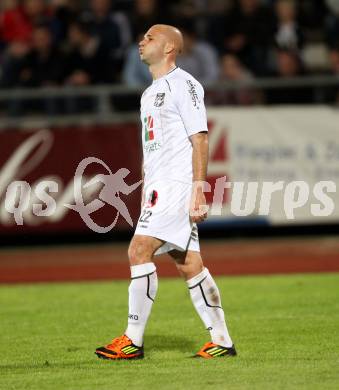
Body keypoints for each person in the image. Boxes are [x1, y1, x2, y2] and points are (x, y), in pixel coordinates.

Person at [95, 24, 236, 360]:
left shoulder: (185, 85)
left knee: (139, 249)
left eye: (150, 37)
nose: (141, 42)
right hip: (160, 186)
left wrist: (198, 190)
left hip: (176, 186)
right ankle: (221, 341)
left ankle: (132, 340)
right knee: (188, 263)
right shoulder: (149, 92)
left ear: (170, 47)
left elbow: (200, 137)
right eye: (142, 37)